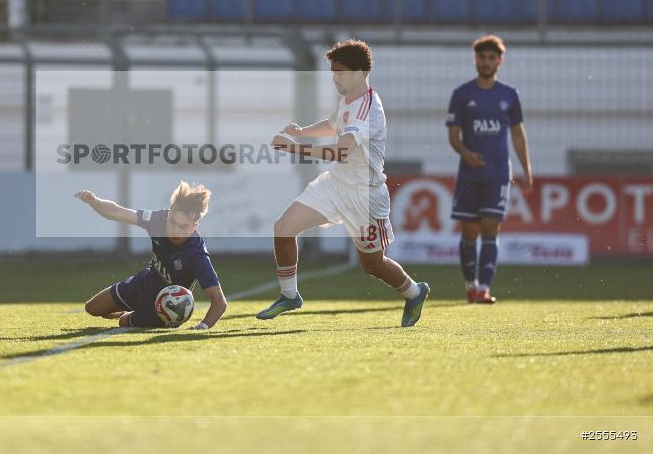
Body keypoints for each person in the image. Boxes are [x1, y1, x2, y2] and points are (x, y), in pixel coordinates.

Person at [258, 40, 430, 327]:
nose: (334, 78)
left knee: (372, 265)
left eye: (339, 72)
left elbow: (341, 150)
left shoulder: (368, 110)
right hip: (335, 185)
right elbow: (332, 123)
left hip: (364, 196)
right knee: (283, 227)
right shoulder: (349, 99)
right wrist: (301, 132)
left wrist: (294, 148)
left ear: (359, 72)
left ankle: (415, 292)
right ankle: (289, 295)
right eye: (332, 72)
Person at [446, 35, 533, 304]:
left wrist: (526, 170)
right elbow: (453, 136)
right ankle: (470, 285)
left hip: (497, 174)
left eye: (491, 57)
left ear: (499, 61)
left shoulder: (509, 95)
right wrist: (466, 154)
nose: (486, 61)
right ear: (476, 60)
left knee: (491, 228)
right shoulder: (462, 94)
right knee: (469, 230)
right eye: (482, 57)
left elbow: (518, 135)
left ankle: (484, 288)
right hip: (470, 173)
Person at [78, 181, 227, 330]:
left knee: (123, 322)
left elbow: (219, 301)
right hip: (144, 282)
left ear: (193, 228)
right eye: (173, 222)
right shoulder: (157, 219)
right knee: (92, 308)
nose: (175, 230)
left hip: (165, 308)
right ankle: (125, 310)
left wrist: (202, 327)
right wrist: (95, 201)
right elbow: (117, 212)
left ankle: (129, 314)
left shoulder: (196, 255)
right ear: (169, 214)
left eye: (183, 227)